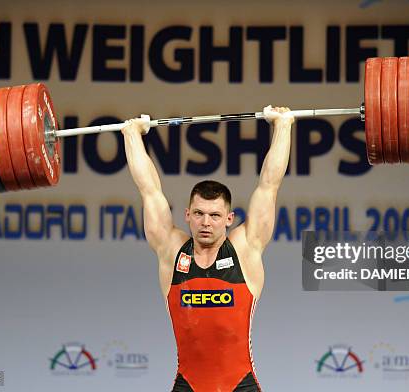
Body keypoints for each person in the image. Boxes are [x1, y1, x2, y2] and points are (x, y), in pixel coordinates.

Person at [121, 106, 294, 392]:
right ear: (187, 214)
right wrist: (132, 135)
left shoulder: (245, 248)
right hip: (188, 385)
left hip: (241, 386)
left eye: (215, 216)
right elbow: (149, 189)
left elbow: (269, 186)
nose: (206, 223)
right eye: (199, 214)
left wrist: (283, 126)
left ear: (229, 219)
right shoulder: (171, 249)